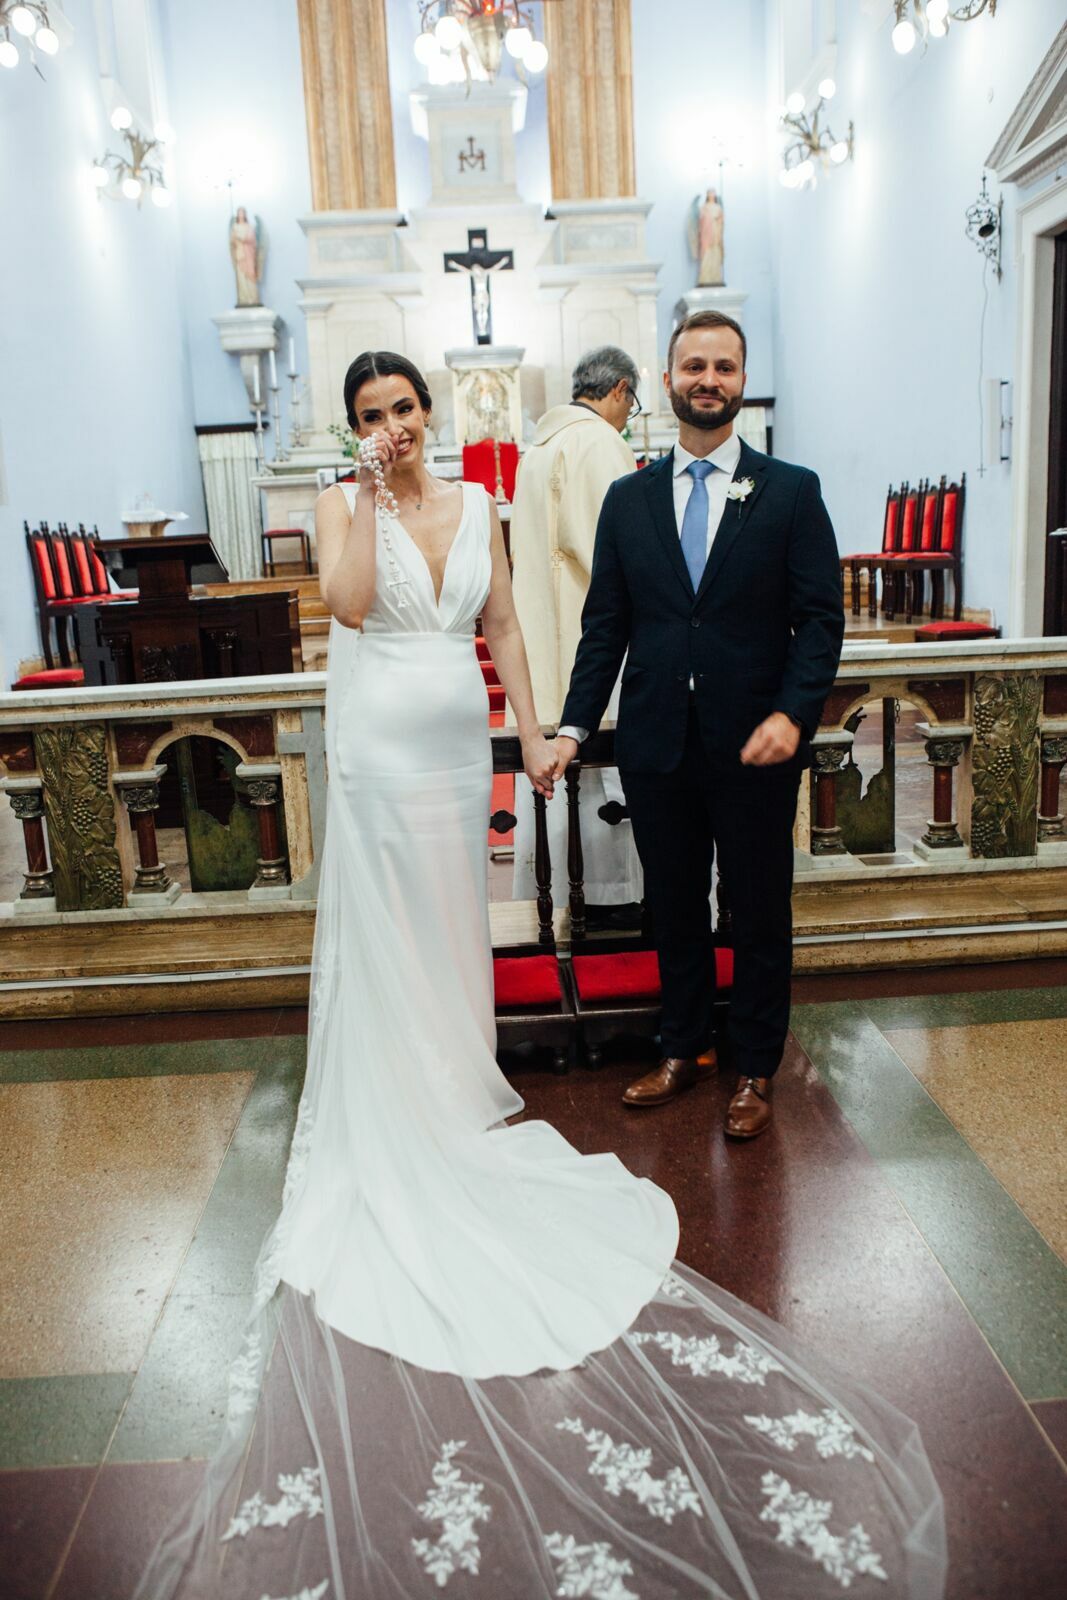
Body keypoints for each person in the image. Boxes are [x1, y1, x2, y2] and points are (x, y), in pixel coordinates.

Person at [134, 350, 943, 1600]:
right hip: (376, 754)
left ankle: (476, 1086)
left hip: (460, 755)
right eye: (373, 414)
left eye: (405, 410)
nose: (395, 427)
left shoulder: (486, 505)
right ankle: (398, 1106)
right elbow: (348, 608)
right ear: (355, 427)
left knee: (456, 933)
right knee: (396, 930)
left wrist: (531, 731)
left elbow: (504, 619)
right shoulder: (346, 507)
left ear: (435, 413)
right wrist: (364, 491)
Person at [555, 310, 845, 1140]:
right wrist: (576, 725)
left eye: (723, 366)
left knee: (756, 908)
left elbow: (819, 620)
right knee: (673, 906)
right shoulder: (627, 499)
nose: (707, 379)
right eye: (693, 365)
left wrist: (794, 714)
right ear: (667, 376)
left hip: (756, 741)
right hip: (655, 741)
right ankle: (683, 1048)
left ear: (741, 380)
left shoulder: (790, 491)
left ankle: (754, 1063)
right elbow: (604, 624)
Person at [509, 345, 643, 923]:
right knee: (603, 764)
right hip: (595, 641)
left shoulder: (536, 447)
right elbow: (619, 553)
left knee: (567, 778)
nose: (628, 415)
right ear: (618, 389)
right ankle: (613, 894)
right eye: (631, 404)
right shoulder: (598, 443)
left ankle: (565, 890)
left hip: (545, 635)